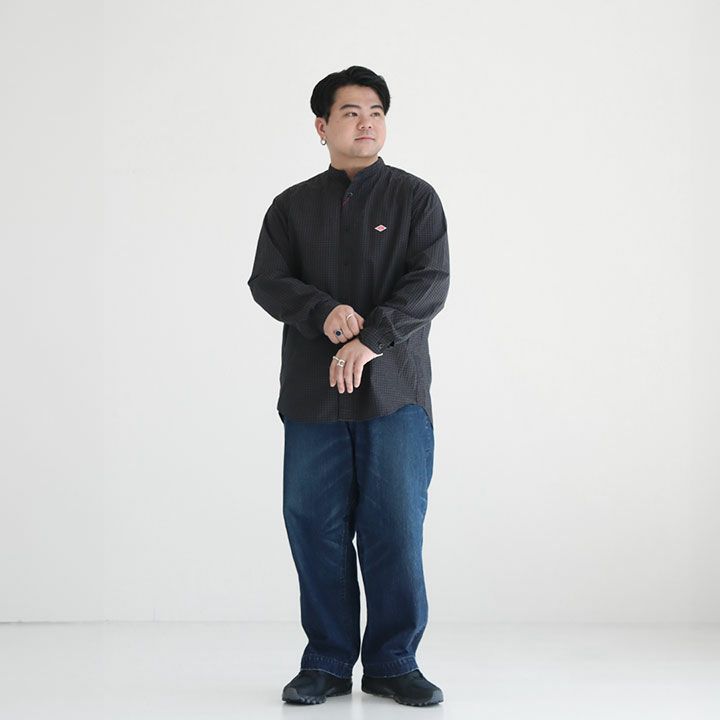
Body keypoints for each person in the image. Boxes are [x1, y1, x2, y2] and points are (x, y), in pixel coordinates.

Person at [247, 65, 450, 706]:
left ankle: (393, 661)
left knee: (395, 527)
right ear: (322, 126)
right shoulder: (291, 206)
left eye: (376, 112)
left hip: (396, 394)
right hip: (313, 396)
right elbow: (267, 280)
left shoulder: (415, 199)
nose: (366, 123)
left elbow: (430, 283)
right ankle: (328, 662)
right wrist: (321, 310)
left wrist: (372, 338)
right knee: (316, 527)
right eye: (351, 113)